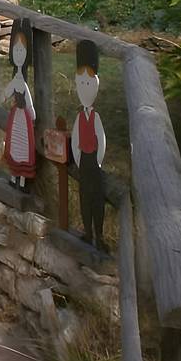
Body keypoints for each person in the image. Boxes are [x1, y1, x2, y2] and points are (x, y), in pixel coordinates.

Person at [71, 39, 107, 250]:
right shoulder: (79, 118)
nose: (84, 86)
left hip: (94, 160)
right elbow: (75, 139)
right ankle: (88, 232)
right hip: (83, 160)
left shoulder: (96, 118)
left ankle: (100, 235)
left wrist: (99, 160)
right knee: (84, 197)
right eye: (81, 83)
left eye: (88, 83)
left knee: (97, 198)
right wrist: (78, 159)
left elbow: (101, 139)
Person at [0, 19, 36, 187]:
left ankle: (22, 180)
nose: (19, 53)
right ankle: (14, 176)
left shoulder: (22, 84)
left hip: (22, 117)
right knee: (14, 143)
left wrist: (31, 111)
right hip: (16, 116)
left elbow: (28, 100)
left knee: (22, 145)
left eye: (22, 50)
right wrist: (2, 98)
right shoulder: (16, 80)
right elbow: (6, 93)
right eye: (16, 50)